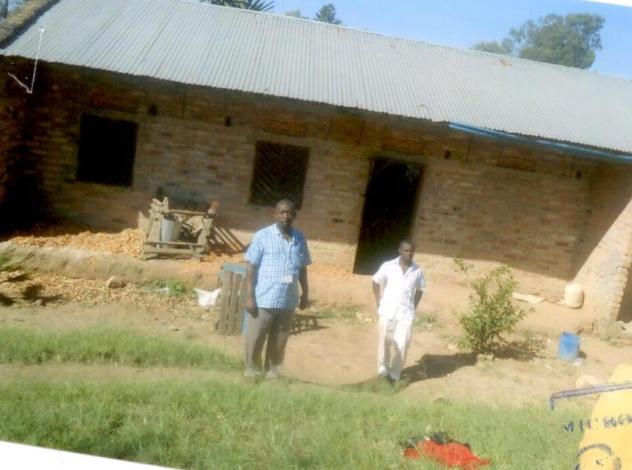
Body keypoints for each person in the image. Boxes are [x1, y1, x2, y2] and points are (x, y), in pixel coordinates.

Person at [244, 199, 311, 379]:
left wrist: (305, 293)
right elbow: (250, 267)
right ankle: (251, 372)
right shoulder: (262, 236)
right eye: (282, 212)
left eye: (289, 213)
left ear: (294, 216)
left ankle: (273, 373)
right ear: (275, 214)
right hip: (264, 299)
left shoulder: (299, 239)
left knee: (279, 341)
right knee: (255, 339)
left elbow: (302, 268)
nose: (285, 216)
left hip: (288, 301)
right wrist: (249, 296)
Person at [372, 239, 426, 382]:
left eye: (411, 251)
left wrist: (413, 306)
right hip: (387, 310)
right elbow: (376, 281)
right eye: (406, 250)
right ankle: (383, 371)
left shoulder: (417, 270)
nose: (409, 253)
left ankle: (394, 374)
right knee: (384, 342)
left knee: (402, 344)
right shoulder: (388, 266)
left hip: (406, 313)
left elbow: (420, 289)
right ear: (400, 250)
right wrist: (378, 302)